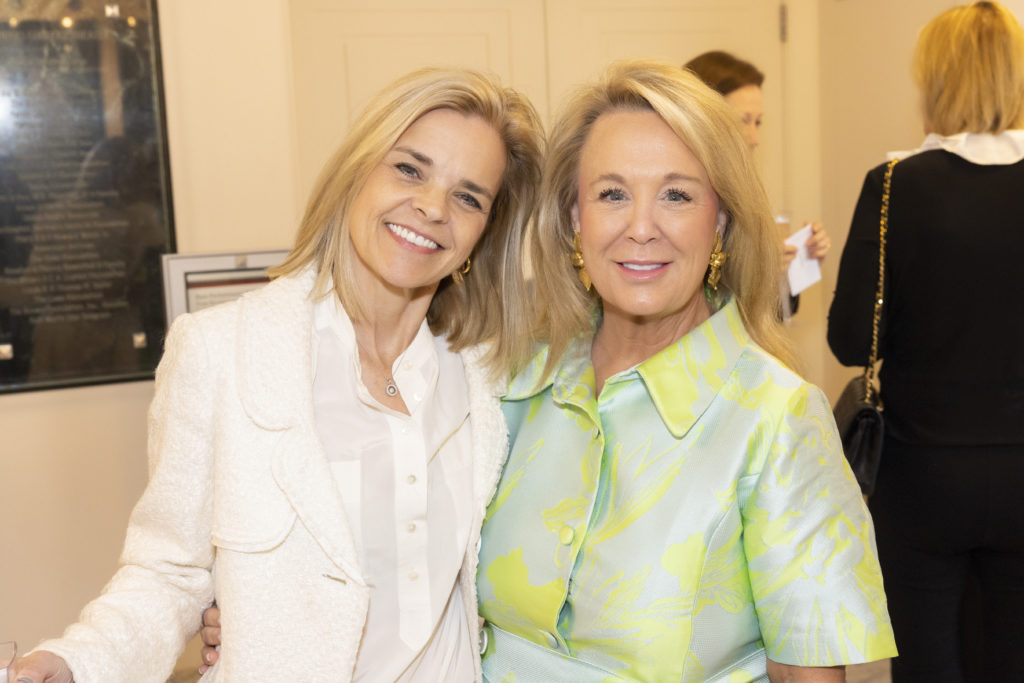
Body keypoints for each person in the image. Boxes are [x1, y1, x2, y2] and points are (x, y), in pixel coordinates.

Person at [199, 61, 897, 681]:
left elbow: (823, 671)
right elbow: (402, 545)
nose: (642, 226)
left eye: (678, 195)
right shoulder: (510, 379)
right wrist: (273, 607)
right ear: (573, 218)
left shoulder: (775, 420)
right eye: (613, 194)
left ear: (720, 223)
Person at [6, 66, 544, 683]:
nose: (431, 206)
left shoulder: (491, 374)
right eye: (409, 168)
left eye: (468, 196)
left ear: (482, 234)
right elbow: (170, 570)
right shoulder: (221, 351)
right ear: (356, 174)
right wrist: (79, 661)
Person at [828, 3, 1024, 681]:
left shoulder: (891, 188)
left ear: (934, 82)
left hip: (923, 480)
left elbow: (851, 338)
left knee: (928, 667)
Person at [685, 50, 830, 317]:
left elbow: (771, 316)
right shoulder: (679, 199)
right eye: (743, 121)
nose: (754, 138)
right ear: (703, 118)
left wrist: (793, 265)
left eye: (758, 122)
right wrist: (755, 267)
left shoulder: (743, 197)